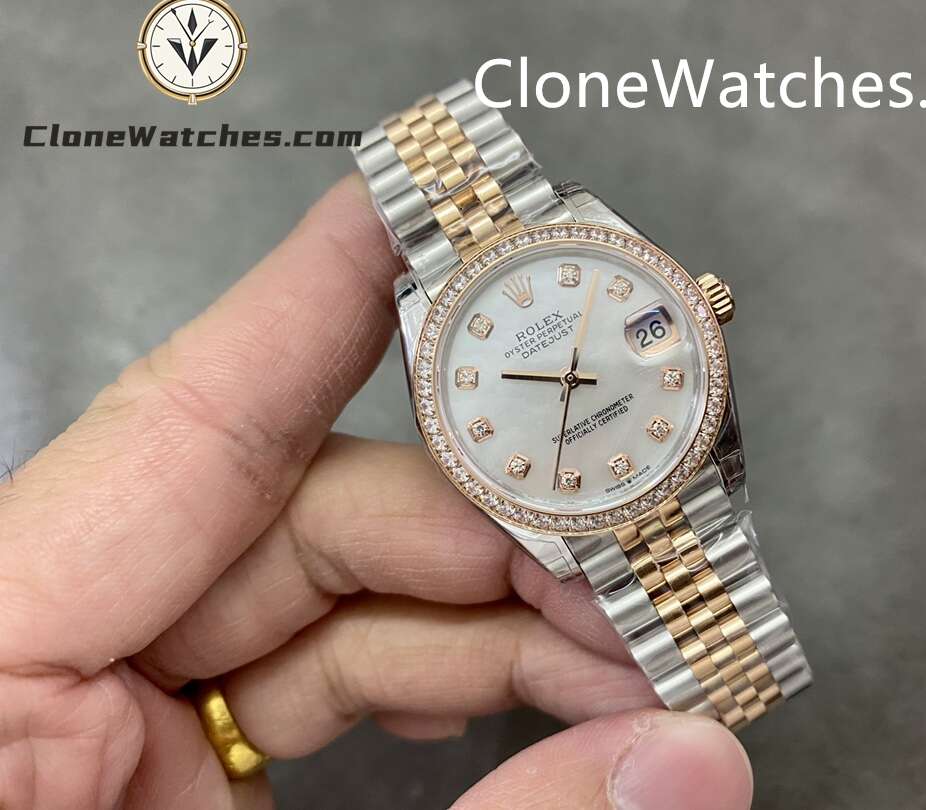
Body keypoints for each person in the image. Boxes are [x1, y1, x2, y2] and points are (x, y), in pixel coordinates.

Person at [0, 176, 754, 810]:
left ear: (703, 302)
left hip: (658, 451)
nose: (570, 377)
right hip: (584, 491)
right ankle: (738, 683)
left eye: (571, 371)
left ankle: (741, 676)